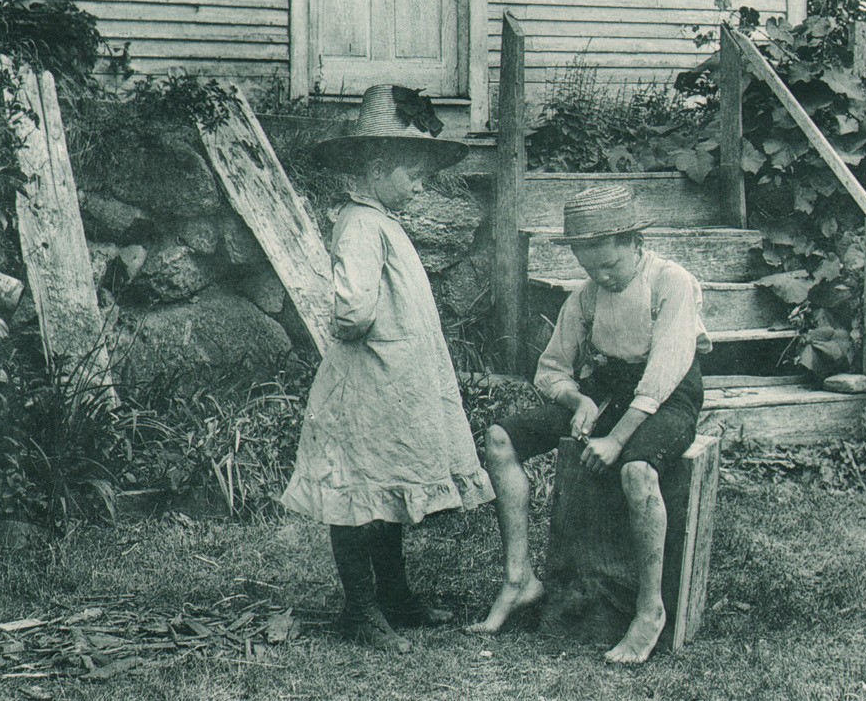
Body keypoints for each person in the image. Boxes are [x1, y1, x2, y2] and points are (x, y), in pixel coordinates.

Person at [280, 84, 494, 653]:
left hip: (390, 381)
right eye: (411, 173)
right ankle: (359, 608)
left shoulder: (381, 221)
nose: (420, 184)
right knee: (355, 494)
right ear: (376, 167)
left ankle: (396, 595)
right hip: (366, 383)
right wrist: (382, 335)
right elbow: (352, 312)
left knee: (384, 490)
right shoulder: (358, 224)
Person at [469, 184, 710, 664]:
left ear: (635, 244)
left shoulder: (672, 282)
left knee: (636, 472)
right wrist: (578, 399)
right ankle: (520, 580)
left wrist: (616, 439)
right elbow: (550, 368)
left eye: (611, 266)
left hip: (669, 396)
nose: (602, 277)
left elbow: (664, 371)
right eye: (589, 267)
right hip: (608, 392)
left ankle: (649, 610)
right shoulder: (586, 297)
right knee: (500, 439)